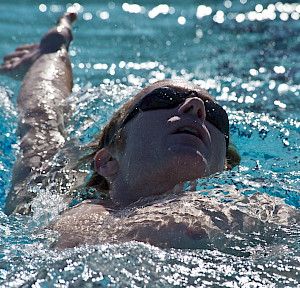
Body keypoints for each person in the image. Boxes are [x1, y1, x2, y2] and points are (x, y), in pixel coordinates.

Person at [1, 12, 296, 249]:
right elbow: (41, 121)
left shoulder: (265, 212)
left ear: (223, 167)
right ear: (108, 160)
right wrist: (53, 54)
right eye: (164, 100)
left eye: (216, 116)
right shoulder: (47, 205)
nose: (196, 107)